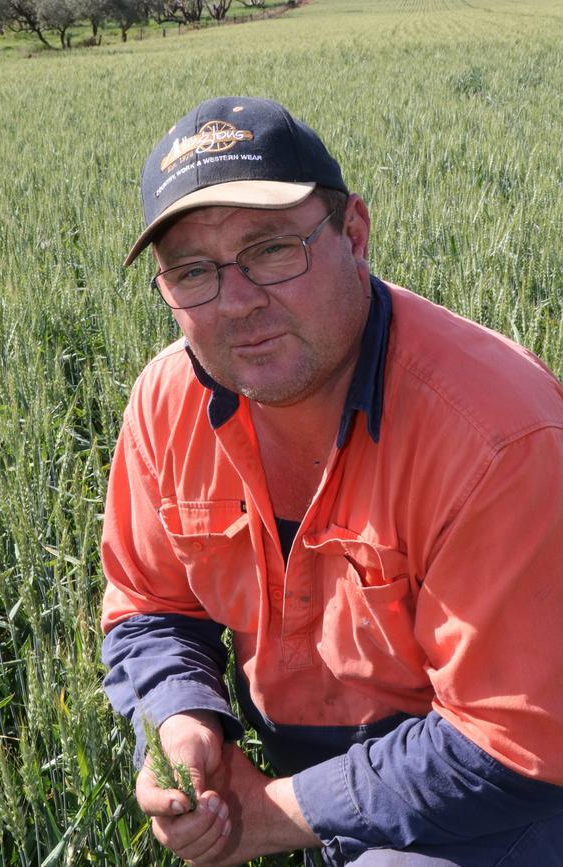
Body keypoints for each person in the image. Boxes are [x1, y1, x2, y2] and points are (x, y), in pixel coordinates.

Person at [100, 96, 563, 866]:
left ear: (354, 235)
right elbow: (149, 605)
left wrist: (272, 811)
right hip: (326, 776)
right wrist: (181, 721)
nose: (238, 301)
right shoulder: (165, 404)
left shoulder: (496, 436)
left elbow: (516, 740)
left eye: (273, 248)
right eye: (192, 271)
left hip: (510, 794)